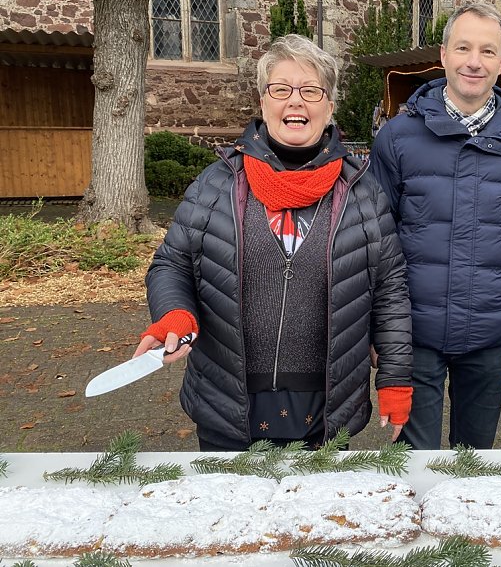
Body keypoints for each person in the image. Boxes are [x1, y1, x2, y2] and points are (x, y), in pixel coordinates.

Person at [134, 34, 413, 451]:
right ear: (263, 103)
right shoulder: (217, 185)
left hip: (325, 407)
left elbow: (390, 291)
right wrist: (175, 314)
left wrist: (394, 378)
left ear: (329, 107)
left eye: (311, 91)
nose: (295, 101)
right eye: (281, 89)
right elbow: (172, 263)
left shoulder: (363, 193)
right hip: (228, 401)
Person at [369, 3, 501, 450]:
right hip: (414, 332)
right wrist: (378, 330)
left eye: (487, 51)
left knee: (475, 465)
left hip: (491, 333)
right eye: (464, 48)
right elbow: (374, 242)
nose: (475, 61)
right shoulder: (396, 138)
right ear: (445, 55)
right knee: (416, 463)